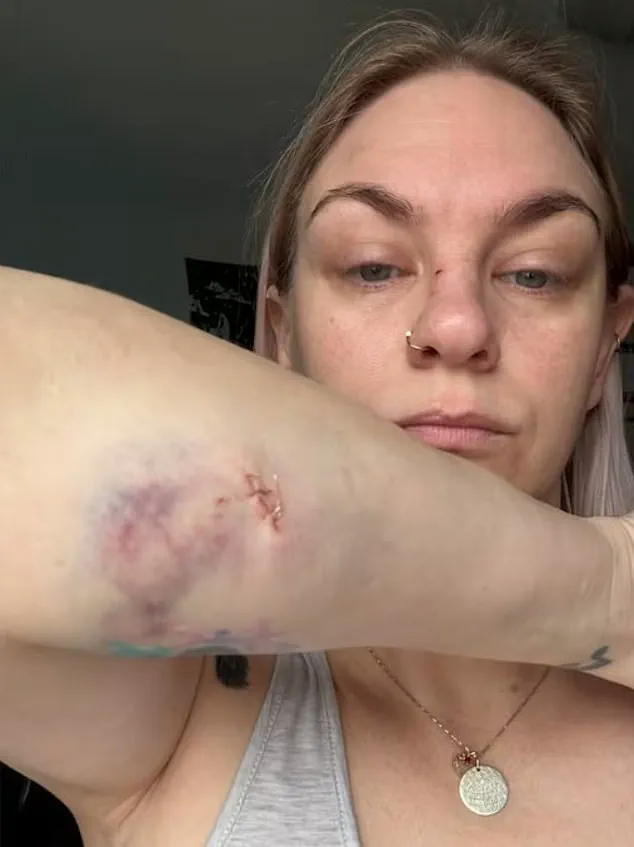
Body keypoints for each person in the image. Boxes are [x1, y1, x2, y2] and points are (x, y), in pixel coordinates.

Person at [3, 13, 634, 846]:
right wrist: (606, 589)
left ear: (606, 344)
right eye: (373, 265)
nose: (456, 324)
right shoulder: (185, 705)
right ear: (283, 332)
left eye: (535, 272)